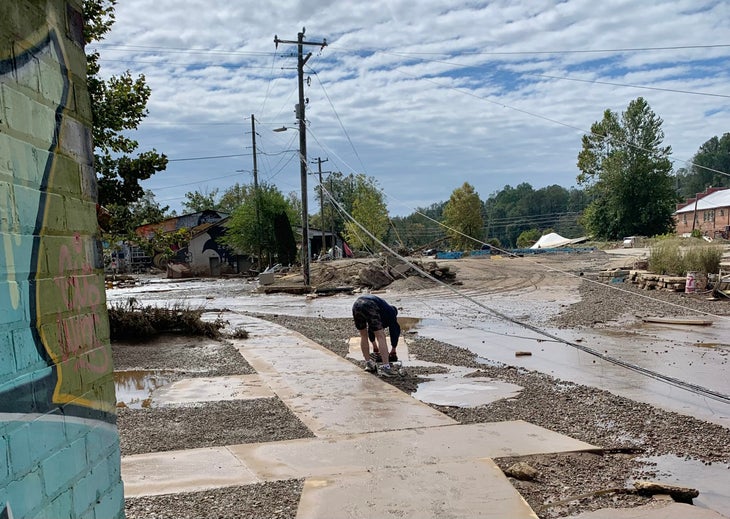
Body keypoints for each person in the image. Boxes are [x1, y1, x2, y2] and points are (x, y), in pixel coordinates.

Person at [352, 294, 401, 377]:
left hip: (357, 304)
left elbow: (371, 328)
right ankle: (386, 368)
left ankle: (369, 364)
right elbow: (394, 332)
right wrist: (394, 349)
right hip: (370, 304)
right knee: (381, 336)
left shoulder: (383, 309)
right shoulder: (391, 313)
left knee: (363, 335)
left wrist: (374, 345)